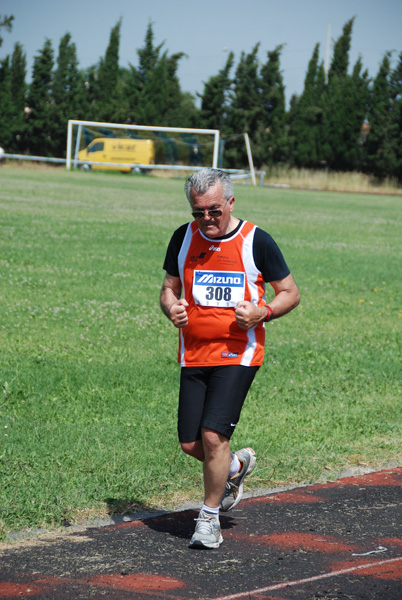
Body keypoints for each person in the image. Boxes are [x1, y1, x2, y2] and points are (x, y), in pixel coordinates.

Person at [160, 168, 300, 549]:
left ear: (231, 202)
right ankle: (236, 466)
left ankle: (208, 520)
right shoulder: (182, 238)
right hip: (193, 353)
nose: (206, 219)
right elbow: (169, 289)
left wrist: (263, 312)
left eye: (214, 211)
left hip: (239, 353)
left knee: (213, 435)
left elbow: (290, 292)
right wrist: (171, 308)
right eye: (198, 212)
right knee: (192, 444)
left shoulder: (257, 240)